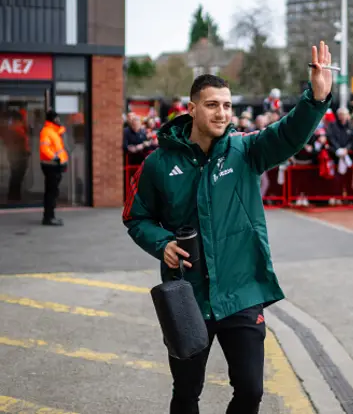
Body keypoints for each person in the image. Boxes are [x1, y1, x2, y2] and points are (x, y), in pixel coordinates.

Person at [122, 41, 333, 414]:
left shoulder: (245, 151)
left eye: (227, 105)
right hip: (187, 297)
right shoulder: (158, 164)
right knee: (186, 393)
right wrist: (163, 244)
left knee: (250, 390)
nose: (222, 113)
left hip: (242, 292)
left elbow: (288, 134)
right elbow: (135, 218)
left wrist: (315, 98)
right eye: (212, 105)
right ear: (191, 109)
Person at [39, 110, 68, 226]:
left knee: (53, 192)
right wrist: (55, 158)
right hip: (51, 166)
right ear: (53, 119)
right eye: (57, 118)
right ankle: (48, 217)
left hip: (55, 166)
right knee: (51, 193)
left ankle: (51, 216)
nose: (59, 120)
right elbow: (44, 149)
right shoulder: (47, 132)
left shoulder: (54, 132)